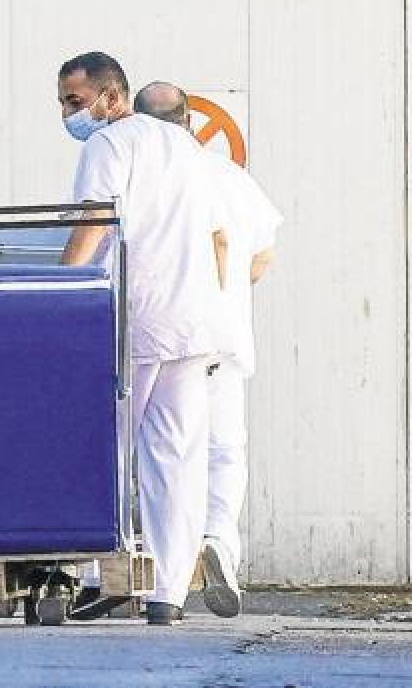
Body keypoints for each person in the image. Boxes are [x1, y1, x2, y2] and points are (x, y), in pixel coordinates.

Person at [56, 52, 228, 625]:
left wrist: (58, 291)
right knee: (176, 459)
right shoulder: (188, 147)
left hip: (138, 315)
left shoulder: (106, 145)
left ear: (110, 96)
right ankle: (168, 595)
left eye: (74, 101)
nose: (67, 113)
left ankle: (100, 577)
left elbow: (93, 223)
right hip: (193, 320)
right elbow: (215, 238)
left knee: (99, 446)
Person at [133, 81, 282, 618]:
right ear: (191, 124)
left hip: (169, 335)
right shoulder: (227, 175)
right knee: (223, 452)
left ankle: (154, 562)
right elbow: (261, 256)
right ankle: (218, 541)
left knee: (164, 455)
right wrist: (230, 294)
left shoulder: (149, 176)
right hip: (225, 337)